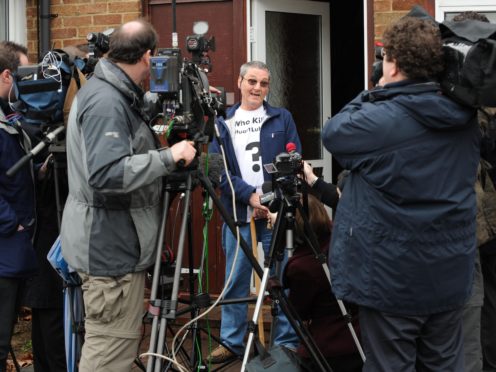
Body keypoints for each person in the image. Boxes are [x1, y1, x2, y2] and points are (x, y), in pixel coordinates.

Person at [322, 16, 479, 371]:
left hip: (393, 280)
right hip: (449, 275)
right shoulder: (463, 117)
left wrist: (375, 88)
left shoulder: (380, 120)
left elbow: (333, 132)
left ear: (392, 63)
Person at [60, 19, 197, 372]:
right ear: (148, 56)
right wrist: (169, 156)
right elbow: (106, 174)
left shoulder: (115, 92)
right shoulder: (106, 102)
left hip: (114, 246)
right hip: (109, 252)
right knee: (108, 355)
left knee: (113, 348)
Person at [208, 60, 301, 363]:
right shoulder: (222, 122)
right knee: (235, 278)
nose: (257, 88)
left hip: (275, 214)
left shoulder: (280, 117)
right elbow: (216, 170)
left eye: (263, 83)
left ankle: (285, 340)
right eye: (251, 81)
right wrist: (249, 197)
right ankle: (232, 341)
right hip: (239, 212)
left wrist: (271, 201)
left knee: (282, 278)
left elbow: (293, 160)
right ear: (239, 82)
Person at [282, 194, 362, 371]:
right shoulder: (343, 241)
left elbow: (298, 312)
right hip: (362, 338)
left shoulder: (303, 266)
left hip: (329, 349)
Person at [0, 45, 38, 372]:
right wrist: (12, 223)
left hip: (13, 247)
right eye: (24, 74)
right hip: (5, 246)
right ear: (7, 75)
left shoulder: (9, 117)